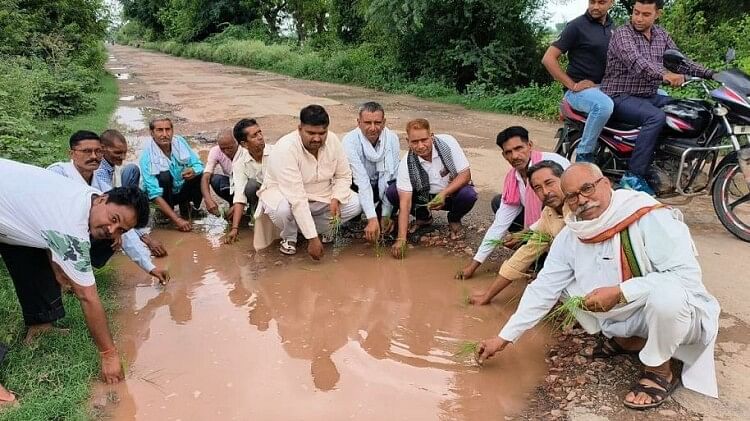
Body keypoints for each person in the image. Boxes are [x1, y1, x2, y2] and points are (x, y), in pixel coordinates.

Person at [478, 163, 720, 409]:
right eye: (572, 196)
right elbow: (543, 288)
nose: (582, 200)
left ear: (605, 183)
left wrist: (621, 291)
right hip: (632, 314)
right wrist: (503, 337)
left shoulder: (648, 215)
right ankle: (628, 339)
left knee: (667, 298)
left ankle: (659, 371)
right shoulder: (573, 233)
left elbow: (684, 278)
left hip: (680, 314)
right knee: (565, 288)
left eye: (587, 189)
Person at [0, 158, 152, 385]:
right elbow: (87, 296)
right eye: (113, 220)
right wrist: (108, 354)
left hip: (9, 208)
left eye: (120, 229)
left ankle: (41, 327)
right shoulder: (70, 226)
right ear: (103, 199)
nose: (111, 230)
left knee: (28, 247)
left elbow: (42, 221)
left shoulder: (88, 195)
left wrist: (58, 262)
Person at [600, 0, 714, 195]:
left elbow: (680, 62)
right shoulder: (623, 34)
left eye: (645, 14)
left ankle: (669, 160)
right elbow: (637, 62)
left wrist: (711, 73)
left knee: (691, 110)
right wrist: (664, 75)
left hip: (648, 96)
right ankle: (633, 177)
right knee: (656, 117)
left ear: (657, 14)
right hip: (619, 96)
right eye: (636, 13)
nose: (638, 18)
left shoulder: (661, 35)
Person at [47, 131, 169, 285]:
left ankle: (81, 268)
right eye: (86, 151)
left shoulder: (102, 186)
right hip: (50, 232)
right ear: (72, 153)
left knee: (114, 231)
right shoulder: (57, 174)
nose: (93, 156)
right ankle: (60, 271)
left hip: (78, 234)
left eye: (98, 151)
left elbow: (127, 229)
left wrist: (150, 268)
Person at [459, 126, 569, 279]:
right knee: (499, 203)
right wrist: (474, 264)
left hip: (566, 221)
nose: (515, 156)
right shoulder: (513, 179)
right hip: (540, 226)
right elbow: (500, 224)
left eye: (519, 148)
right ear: (504, 155)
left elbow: (570, 208)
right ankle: (536, 252)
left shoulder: (554, 164)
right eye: (509, 152)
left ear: (529, 146)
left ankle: (547, 256)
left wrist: (525, 233)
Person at [253, 105, 362, 259]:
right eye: (311, 133)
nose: (317, 138)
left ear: (327, 130)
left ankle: (316, 230)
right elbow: (296, 197)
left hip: (322, 194)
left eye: (322, 133)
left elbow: (344, 175)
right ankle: (290, 237)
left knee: (356, 203)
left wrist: (336, 197)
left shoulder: (333, 140)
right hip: (285, 194)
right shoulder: (286, 147)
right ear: (300, 128)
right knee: (283, 209)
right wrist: (312, 239)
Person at [469, 161, 569, 305]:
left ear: (564, 181)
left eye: (549, 183)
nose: (546, 192)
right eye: (538, 188)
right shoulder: (548, 214)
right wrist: (487, 296)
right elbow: (525, 254)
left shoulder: (580, 208)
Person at [386, 118, 477, 258]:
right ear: (407, 141)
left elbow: (465, 175)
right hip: (425, 198)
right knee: (393, 192)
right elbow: (405, 202)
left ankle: (454, 219)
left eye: (424, 140)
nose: (421, 146)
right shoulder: (406, 163)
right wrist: (401, 239)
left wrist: (444, 193)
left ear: (432, 136)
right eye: (414, 142)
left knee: (468, 194)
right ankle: (423, 217)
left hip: (450, 194)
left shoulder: (448, 143)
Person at [542, 0, 615, 163]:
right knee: (603, 106)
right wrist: (572, 85)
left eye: (601, 2)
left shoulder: (613, 27)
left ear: (611, 2)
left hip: (605, 88)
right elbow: (548, 58)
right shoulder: (576, 26)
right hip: (579, 93)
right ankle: (584, 155)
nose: (595, 6)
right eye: (592, 2)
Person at [95, 129, 168, 259]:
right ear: (103, 148)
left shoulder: (108, 166)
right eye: (117, 153)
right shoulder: (100, 174)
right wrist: (147, 240)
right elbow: (116, 212)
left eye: (124, 152)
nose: (122, 157)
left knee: (131, 170)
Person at [342, 101, 400, 242]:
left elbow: (392, 175)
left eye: (377, 123)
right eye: (367, 123)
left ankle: (388, 216)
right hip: (357, 184)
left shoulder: (392, 138)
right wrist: (372, 218)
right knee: (345, 181)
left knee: (396, 187)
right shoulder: (349, 141)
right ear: (359, 122)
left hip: (381, 186)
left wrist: (385, 214)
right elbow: (361, 180)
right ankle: (354, 217)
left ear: (384, 122)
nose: (373, 128)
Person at [139, 117, 205, 232]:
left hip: (180, 189)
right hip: (163, 195)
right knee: (164, 176)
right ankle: (164, 212)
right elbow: (154, 193)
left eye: (168, 129)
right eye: (160, 130)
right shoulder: (147, 157)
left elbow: (198, 164)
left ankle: (188, 208)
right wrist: (177, 220)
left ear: (172, 130)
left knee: (201, 174)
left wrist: (193, 170)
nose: (165, 134)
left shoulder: (179, 142)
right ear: (152, 133)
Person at [224, 119, 271, 243]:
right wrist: (234, 228)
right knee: (250, 186)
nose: (260, 137)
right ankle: (255, 214)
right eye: (254, 135)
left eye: (260, 132)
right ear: (244, 144)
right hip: (259, 196)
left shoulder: (276, 152)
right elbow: (240, 196)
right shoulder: (239, 164)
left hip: (279, 194)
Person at [201, 130, 238, 216]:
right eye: (223, 149)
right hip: (233, 183)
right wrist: (208, 199)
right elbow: (206, 176)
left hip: (247, 184)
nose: (226, 152)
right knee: (215, 179)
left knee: (251, 186)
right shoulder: (215, 151)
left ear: (237, 143)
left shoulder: (244, 150)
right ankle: (232, 204)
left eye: (230, 148)